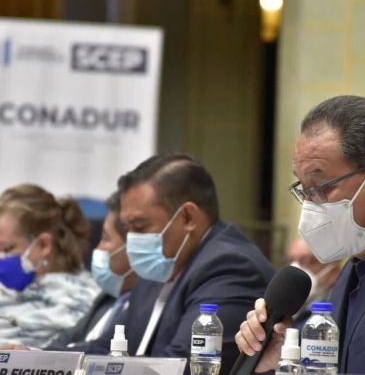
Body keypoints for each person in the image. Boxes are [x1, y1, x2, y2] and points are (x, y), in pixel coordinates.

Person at [235, 95, 365, 374]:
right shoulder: (355, 266)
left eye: (321, 188)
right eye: (304, 190)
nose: (309, 206)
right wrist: (289, 359)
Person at [72, 152, 275, 375]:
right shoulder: (160, 266)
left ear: (188, 217)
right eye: (127, 229)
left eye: (139, 227)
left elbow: (185, 366)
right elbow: (110, 347)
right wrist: (47, 359)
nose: (131, 241)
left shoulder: (231, 268)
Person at [0, 184, 100, 348]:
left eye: (6, 248)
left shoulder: (88, 303)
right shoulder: (7, 292)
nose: (1, 258)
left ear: (44, 245)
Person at [46, 191, 136, 348]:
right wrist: (27, 352)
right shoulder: (108, 298)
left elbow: (105, 350)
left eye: (105, 238)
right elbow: (63, 342)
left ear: (134, 247)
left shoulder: (144, 306)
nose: (98, 248)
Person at [286, 236, 341, 329]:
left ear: (333, 270)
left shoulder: (339, 313)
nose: (295, 268)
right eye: (290, 261)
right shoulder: (285, 309)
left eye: (307, 261)